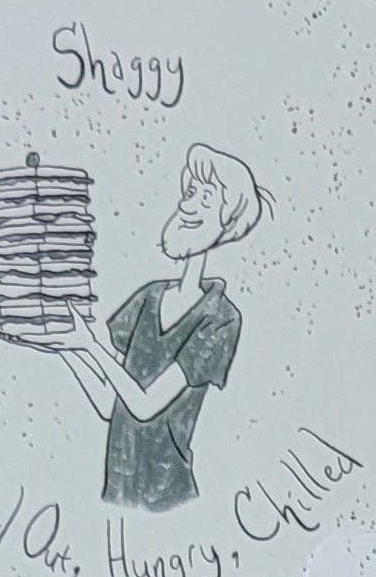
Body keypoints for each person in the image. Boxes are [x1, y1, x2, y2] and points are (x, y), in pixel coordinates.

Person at [19, 142, 267, 511]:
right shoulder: (149, 297)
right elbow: (112, 404)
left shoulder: (221, 319)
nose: (189, 205)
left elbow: (145, 405)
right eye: (190, 192)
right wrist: (68, 348)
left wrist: (90, 346)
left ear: (227, 222)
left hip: (168, 494)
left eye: (207, 198)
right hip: (117, 486)